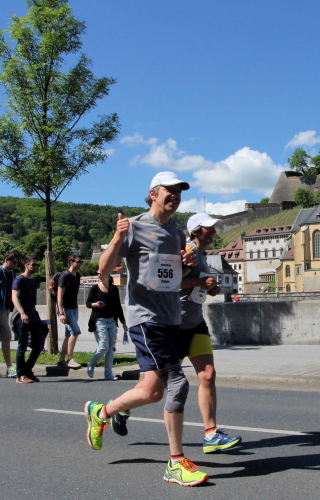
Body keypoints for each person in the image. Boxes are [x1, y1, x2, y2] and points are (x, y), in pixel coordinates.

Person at [85, 171, 209, 487]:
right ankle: (176, 463)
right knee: (177, 383)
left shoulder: (177, 233)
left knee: (152, 391)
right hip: (146, 318)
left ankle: (101, 413)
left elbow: (178, 279)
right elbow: (104, 268)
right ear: (153, 193)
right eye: (170, 190)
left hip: (171, 318)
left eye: (179, 191)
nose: (175, 195)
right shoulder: (135, 226)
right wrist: (117, 238)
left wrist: (187, 263)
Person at [178, 213, 242, 453]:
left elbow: (201, 286)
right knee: (154, 387)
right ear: (196, 231)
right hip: (176, 325)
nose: (214, 231)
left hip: (196, 323)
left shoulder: (203, 256)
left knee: (208, 375)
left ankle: (211, 435)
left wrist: (211, 288)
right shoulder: (187, 251)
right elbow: (170, 283)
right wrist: (198, 283)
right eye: (209, 227)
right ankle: (115, 410)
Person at [85, 273, 126, 380]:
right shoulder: (94, 288)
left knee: (111, 348)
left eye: (101, 274)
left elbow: (118, 306)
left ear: (108, 275)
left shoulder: (114, 289)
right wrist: (96, 304)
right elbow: (88, 303)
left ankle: (108, 374)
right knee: (103, 347)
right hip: (99, 321)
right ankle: (91, 364)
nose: (99, 276)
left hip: (112, 321)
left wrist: (123, 321)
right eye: (98, 274)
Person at [11, 256, 45, 384]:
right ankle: (20, 375)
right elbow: (14, 297)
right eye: (33, 265)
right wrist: (22, 313)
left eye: (37, 265)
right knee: (22, 345)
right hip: (22, 314)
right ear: (26, 265)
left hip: (32, 312)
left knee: (39, 343)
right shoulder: (19, 279)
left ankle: (27, 370)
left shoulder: (32, 281)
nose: (36, 267)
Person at [57, 254, 83, 369]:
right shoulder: (64, 276)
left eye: (81, 262)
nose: (80, 264)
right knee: (75, 332)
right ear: (71, 262)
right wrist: (61, 313)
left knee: (68, 335)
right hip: (66, 309)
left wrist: (76, 307)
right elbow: (59, 295)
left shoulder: (77, 275)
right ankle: (70, 359)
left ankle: (61, 360)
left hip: (74, 308)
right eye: (78, 261)